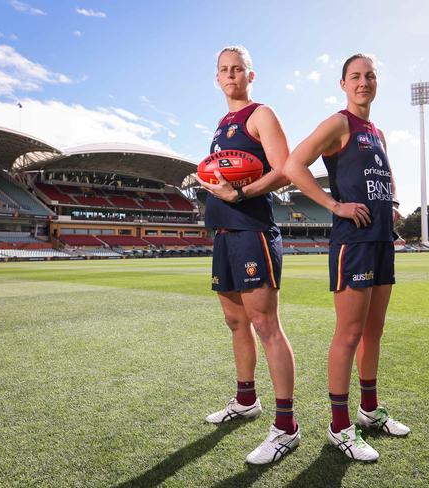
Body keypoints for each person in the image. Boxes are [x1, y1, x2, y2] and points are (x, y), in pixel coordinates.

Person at [283, 53, 409, 462]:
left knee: (374, 331)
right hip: (352, 243)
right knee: (349, 332)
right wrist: (333, 205)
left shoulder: (378, 133)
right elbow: (292, 164)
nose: (363, 82)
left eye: (370, 76)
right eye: (355, 76)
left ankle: (369, 411)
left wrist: (392, 203)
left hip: (381, 239)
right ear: (343, 84)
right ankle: (340, 427)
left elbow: (381, 177)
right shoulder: (338, 124)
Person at [195, 45, 299, 465]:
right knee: (235, 321)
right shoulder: (222, 125)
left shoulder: (261, 114)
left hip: (252, 231)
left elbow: (284, 168)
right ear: (217, 78)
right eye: (223, 69)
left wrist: (240, 192)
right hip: (223, 232)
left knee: (265, 324)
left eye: (238, 69)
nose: (231, 74)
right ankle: (245, 400)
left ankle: (287, 427)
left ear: (250, 76)